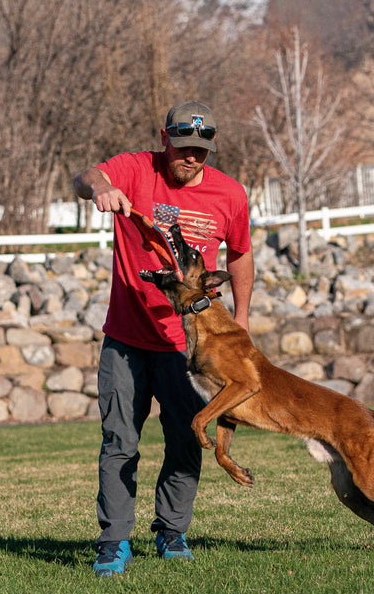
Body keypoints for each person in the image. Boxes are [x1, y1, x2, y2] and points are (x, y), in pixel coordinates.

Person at [73, 101, 254, 576]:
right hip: (126, 339)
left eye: (201, 150)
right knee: (119, 441)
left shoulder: (230, 195)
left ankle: (172, 531)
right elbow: (84, 175)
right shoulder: (134, 169)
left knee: (186, 437)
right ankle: (113, 541)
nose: (192, 157)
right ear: (164, 137)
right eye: (183, 146)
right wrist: (102, 188)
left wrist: (244, 319)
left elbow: (239, 255)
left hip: (188, 348)